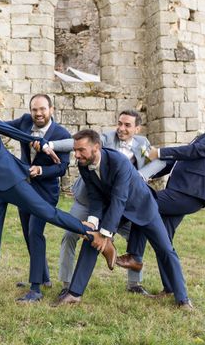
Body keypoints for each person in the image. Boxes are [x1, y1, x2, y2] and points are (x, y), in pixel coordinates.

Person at [0, 95, 113, 303]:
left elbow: (11, 132)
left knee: (47, 213)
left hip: (11, 179)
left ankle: (90, 233)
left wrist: (41, 142)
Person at [54, 130, 192, 309]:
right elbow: (95, 196)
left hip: (142, 207)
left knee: (165, 249)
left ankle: (182, 299)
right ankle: (74, 293)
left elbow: (120, 198)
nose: (77, 155)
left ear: (96, 147)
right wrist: (94, 222)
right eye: (75, 150)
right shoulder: (83, 163)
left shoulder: (118, 162)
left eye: (81, 150)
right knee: (92, 241)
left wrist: (105, 233)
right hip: (114, 207)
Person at [47, 110, 165, 296]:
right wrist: (50, 144)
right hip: (89, 200)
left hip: (118, 203)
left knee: (136, 232)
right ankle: (67, 284)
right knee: (70, 234)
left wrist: (142, 174)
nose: (121, 128)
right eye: (119, 123)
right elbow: (75, 143)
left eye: (127, 125)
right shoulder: (105, 139)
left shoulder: (142, 143)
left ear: (137, 128)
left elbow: (161, 161)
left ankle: (134, 283)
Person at [117, 94, 205, 297]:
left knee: (143, 205)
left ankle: (135, 256)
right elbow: (177, 162)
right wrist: (145, 175)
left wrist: (160, 152)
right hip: (180, 191)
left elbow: (195, 151)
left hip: (189, 192)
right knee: (163, 241)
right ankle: (171, 289)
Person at [6, 94, 71, 303]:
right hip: (24, 189)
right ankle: (43, 277)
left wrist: (41, 170)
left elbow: (62, 167)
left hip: (46, 193)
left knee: (35, 232)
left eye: (42, 109)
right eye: (35, 109)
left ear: (51, 109)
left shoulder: (62, 134)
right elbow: (3, 127)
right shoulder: (25, 122)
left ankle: (35, 289)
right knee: (27, 232)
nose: (38, 113)